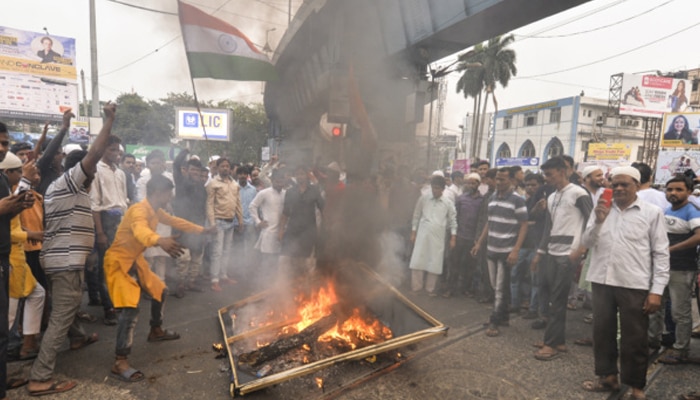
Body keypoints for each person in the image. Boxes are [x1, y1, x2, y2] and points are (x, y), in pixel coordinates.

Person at [27, 103, 116, 396]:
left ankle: (77, 337)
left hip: (60, 260)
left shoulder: (62, 188)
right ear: (82, 173)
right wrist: (109, 120)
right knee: (61, 315)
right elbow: (95, 154)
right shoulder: (69, 182)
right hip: (63, 263)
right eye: (90, 176)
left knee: (66, 306)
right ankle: (40, 376)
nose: (92, 182)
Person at [104, 174, 215, 383]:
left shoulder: (155, 210)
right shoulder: (138, 210)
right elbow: (141, 232)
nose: (171, 196)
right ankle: (120, 361)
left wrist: (202, 230)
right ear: (158, 193)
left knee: (160, 290)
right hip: (118, 263)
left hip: (135, 260)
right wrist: (159, 240)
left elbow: (175, 221)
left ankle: (156, 330)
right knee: (130, 309)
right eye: (168, 193)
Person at [581, 166, 669, 400]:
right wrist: (598, 221)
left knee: (635, 338)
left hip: (634, 283)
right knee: (602, 333)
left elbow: (661, 253)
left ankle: (636, 387)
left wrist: (656, 291)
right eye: (615, 184)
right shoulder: (602, 209)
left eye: (625, 184)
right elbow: (586, 242)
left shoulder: (652, 213)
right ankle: (608, 376)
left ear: (637, 186)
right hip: (601, 280)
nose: (618, 188)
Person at [531, 156, 592, 361]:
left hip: (568, 253)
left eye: (550, 174)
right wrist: (540, 253)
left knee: (557, 299)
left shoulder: (579, 193)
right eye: (545, 175)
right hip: (551, 251)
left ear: (563, 171)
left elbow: (592, 222)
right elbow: (548, 227)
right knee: (549, 296)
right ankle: (557, 340)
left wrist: (581, 248)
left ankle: (551, 345)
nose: (547, 179)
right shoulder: (551, 196)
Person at [0, 121, 35, 399]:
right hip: (9, 258)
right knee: (6, 320)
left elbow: (9, 214)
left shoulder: (4, 183)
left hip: (7, 258)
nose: (3, 149)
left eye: (5, 143)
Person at [649, 176, 700, 364]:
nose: (673, 193)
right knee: (655, 307)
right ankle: (652, 341)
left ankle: (680, 349)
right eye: (670, 190)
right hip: (662, 268)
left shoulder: (692, 211)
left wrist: (670, 249)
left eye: (679, 190)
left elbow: (698, 237)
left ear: (689, 191)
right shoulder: (666, 210)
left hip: (682, 269)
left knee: (680, 311)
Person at [472, 168, 527, 336]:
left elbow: (524, 225)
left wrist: (515, 250)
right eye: (497, 179)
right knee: (495, 285)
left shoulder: (518, 200)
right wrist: (479, 243)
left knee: (500, 289)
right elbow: (489, 222)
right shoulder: (493, 197)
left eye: (502, 179)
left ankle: (494, 321)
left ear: (511, 180)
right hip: (491, 249)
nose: (499, 182)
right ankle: (503, 316)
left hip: (506, 251)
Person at [0, 152, 44, 362]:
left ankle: (28, 344)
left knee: (38, 294)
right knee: (7, 319)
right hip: (11, 261)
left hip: (17, 259)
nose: (20, 174)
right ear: (7, 172)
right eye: (17, 171)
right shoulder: (8, 194)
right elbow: (7, 231)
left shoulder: (8, 191)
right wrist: (31, 234)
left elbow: (12, 224)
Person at [89, 135, 127, 325]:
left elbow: (124, 201)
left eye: (118, 150)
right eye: (112, 150)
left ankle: (114, 300)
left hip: (119, 220)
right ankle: (109, 308)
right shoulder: (96, 170)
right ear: (103, 150)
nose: (116, 154)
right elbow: (95, 204)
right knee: (106, 266)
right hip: (105, 220)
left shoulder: (119, 173)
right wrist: (100, 232)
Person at [409, 175, 457, 296]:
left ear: (443, 189)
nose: (435, 190)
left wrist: (453, 237)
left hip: (438, 236)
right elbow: (416, 215)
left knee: (434, 262)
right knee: (418, 260)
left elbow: (453, 221)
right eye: (433, 188)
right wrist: (413, 232)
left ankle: (430, 289)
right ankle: (416, 287)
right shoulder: (423, 199)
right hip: (422, 234)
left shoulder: (448, 203)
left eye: (437, 188)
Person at [278, 166, 324, 284]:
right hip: (293, 229)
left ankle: (307, 285)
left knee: (307, 261)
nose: (300, 177)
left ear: (307, 175)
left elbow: (323, 210)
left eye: (302, 174)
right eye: (297, 174)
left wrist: (325, 229)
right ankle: (286, 285)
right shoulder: (290, 191)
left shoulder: (314, 190)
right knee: (286, 258)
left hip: (309, 230)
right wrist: (281, 230)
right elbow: (285, 212)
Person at [171, 149, 207, 298]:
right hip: (182, 226)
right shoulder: (181, 182)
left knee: (197, 256)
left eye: (198, 171)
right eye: (193, 170)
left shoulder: (202, 188)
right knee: (183, 258)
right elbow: (175, 165)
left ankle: (191, 282)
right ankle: (180, 284)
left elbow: (203, 209)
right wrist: (184, 152)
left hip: (198, 227)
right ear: (187, 170)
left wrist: (203, 229)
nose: (195, 173)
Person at [206, 157, 243, 291]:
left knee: (227, 251)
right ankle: (214, 280)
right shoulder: (213, 183)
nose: (225, 168)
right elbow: (209, 204)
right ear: (218, 167)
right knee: (217, 252)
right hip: (219, 221)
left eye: (227, 166)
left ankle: (224, 276)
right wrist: (212, 222)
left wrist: (240, 219)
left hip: (231, 221)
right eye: (222, 166)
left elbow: (237, 203)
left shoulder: (234, 184)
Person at [443, 173, 483, 298]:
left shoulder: (482, 201)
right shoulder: (461, 199)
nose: (471, 185)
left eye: (474, 183)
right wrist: (453, 235)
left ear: (478, 184)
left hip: (472, 238)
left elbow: (481, 220)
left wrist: (477, 239)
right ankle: (450, 289)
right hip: (459, 236)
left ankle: (465, 289)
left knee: (469, 266)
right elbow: (454, 216)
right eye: (469, 183)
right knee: (454, 263)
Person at [249, 169, 286, 290]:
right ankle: (263, 287)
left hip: (281, 233)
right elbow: (252, 206)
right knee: (267, 262)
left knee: (278, 263)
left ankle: (274, 287)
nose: (279, 182)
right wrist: (258, 222)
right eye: (277, 180)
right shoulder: (264, 193)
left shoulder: (286, 194)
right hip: (268, 233)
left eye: (281, 180)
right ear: (272, 180)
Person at [233, 165, 258, 283]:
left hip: (250, 224)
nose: (242, 176)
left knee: (249, 249)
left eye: (244, 174)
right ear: (237, 175)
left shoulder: (253, 190)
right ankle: (238, 272)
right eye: (240, 173)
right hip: (236, 223)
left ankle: (248, 273)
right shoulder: (233, 188)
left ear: (247, 175)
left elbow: (256, 207)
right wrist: (236, 221)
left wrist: (256, 221)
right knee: (237, 249)